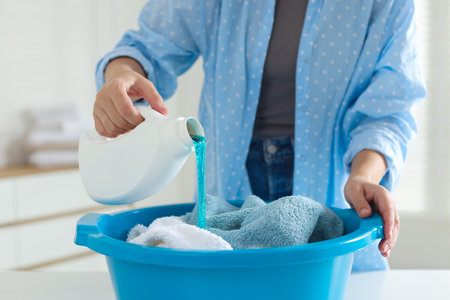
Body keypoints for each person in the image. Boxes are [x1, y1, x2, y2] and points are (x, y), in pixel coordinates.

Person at [93, 0, 426, 271]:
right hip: (230, 180)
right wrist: (122, 75)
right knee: (223, 279)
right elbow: (147, 46)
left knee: (323, 283)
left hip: (332, 190)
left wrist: (364, 176)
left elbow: (388, 109)